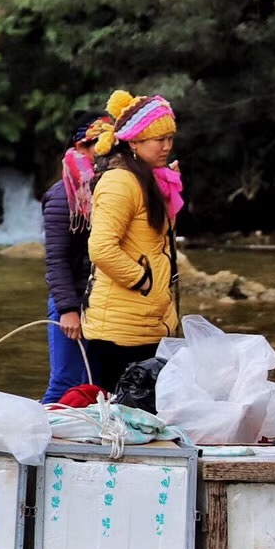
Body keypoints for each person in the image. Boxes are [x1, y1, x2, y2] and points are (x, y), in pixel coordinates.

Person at [82, 91, 183, 396]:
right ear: (135, 142)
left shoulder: (149, 179)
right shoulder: (119, 182)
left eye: (169, 138)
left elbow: (154, 242)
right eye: (158, 139)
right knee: (118, 415)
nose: (166, 146)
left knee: (142, 417)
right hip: (117, 328)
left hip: (148, 321)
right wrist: (143, 280)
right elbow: (101, 247)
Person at [39, 113, 111, 404]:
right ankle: (41, 441)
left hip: (102, 302)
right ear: (80, 147)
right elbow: (56, 260)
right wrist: (68, 310)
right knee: (65, 383)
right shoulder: (61, 196)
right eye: (98, 145)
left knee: (95, 385)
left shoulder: (111, 188)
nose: (105, 152)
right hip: (71, 304)